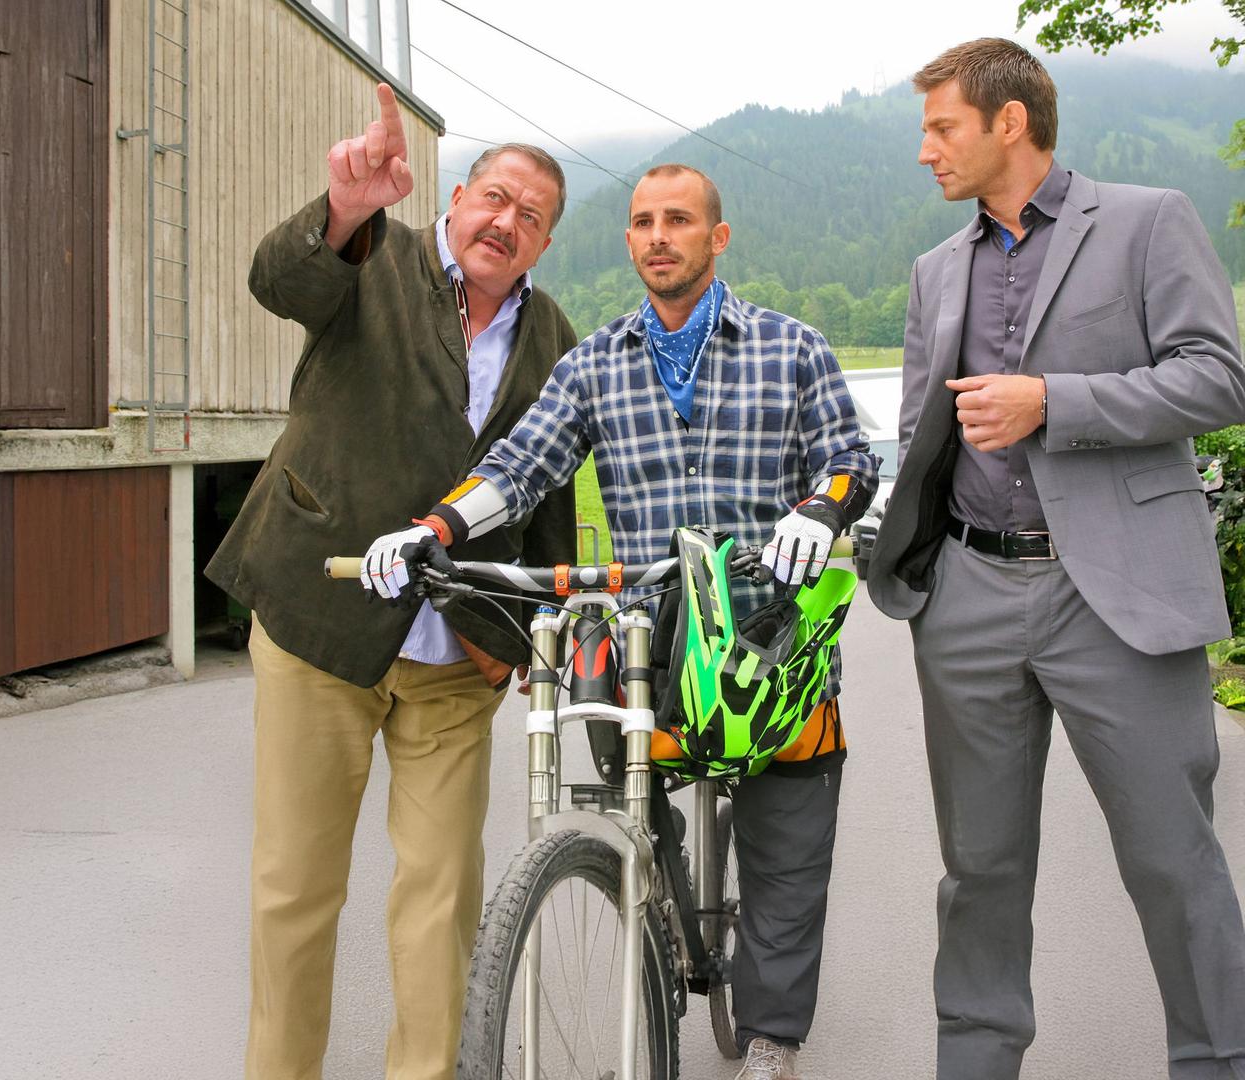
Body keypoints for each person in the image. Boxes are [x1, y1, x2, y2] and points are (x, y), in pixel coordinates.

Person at [363, 163, 878, 1080]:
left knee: (786, 856)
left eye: (679, 220)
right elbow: (521, 466)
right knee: (631, 809)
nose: (657, 236)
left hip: (768, 648)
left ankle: (770, 1040)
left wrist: (822, 510)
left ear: (717, 239)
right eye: (642, 221)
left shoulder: (790, 346)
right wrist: (431, 528)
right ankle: (663, 911)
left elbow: (848, 457)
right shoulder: (594, 362)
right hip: (652, 648)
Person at [864, 37, 1245, 1080]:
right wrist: (918, 568)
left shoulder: (1147, 219)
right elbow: (919, 435)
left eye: (942, 128)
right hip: (971, 595)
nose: (926, 151)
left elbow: (1219, 379)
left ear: (1010, 122)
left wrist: (1056, 404)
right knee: (978, 872)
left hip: (1117, 592)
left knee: (1174, 861)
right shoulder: (935, 271)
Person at [205, 81, 577, 1080]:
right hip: (320, 627)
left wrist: (521, 638)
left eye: (532, 217)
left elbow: (547, 491)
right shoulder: (372, 256)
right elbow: (280, 281)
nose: (507, 221)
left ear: (543, 245)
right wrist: (344, 209)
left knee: (444, 893)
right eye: (496, 198)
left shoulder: (553, 336)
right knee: (295, 889)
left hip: (457, 655)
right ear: (455, 199)